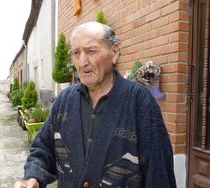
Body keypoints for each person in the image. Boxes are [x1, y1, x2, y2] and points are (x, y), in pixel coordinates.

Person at [13, 21, 176, 188]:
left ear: (115, 52)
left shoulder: (140, 102)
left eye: (91, 51)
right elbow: (43, 150)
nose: (82, 62)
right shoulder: (64, 100)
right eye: (76, 52)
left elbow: (159, 172)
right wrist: (33, 177)